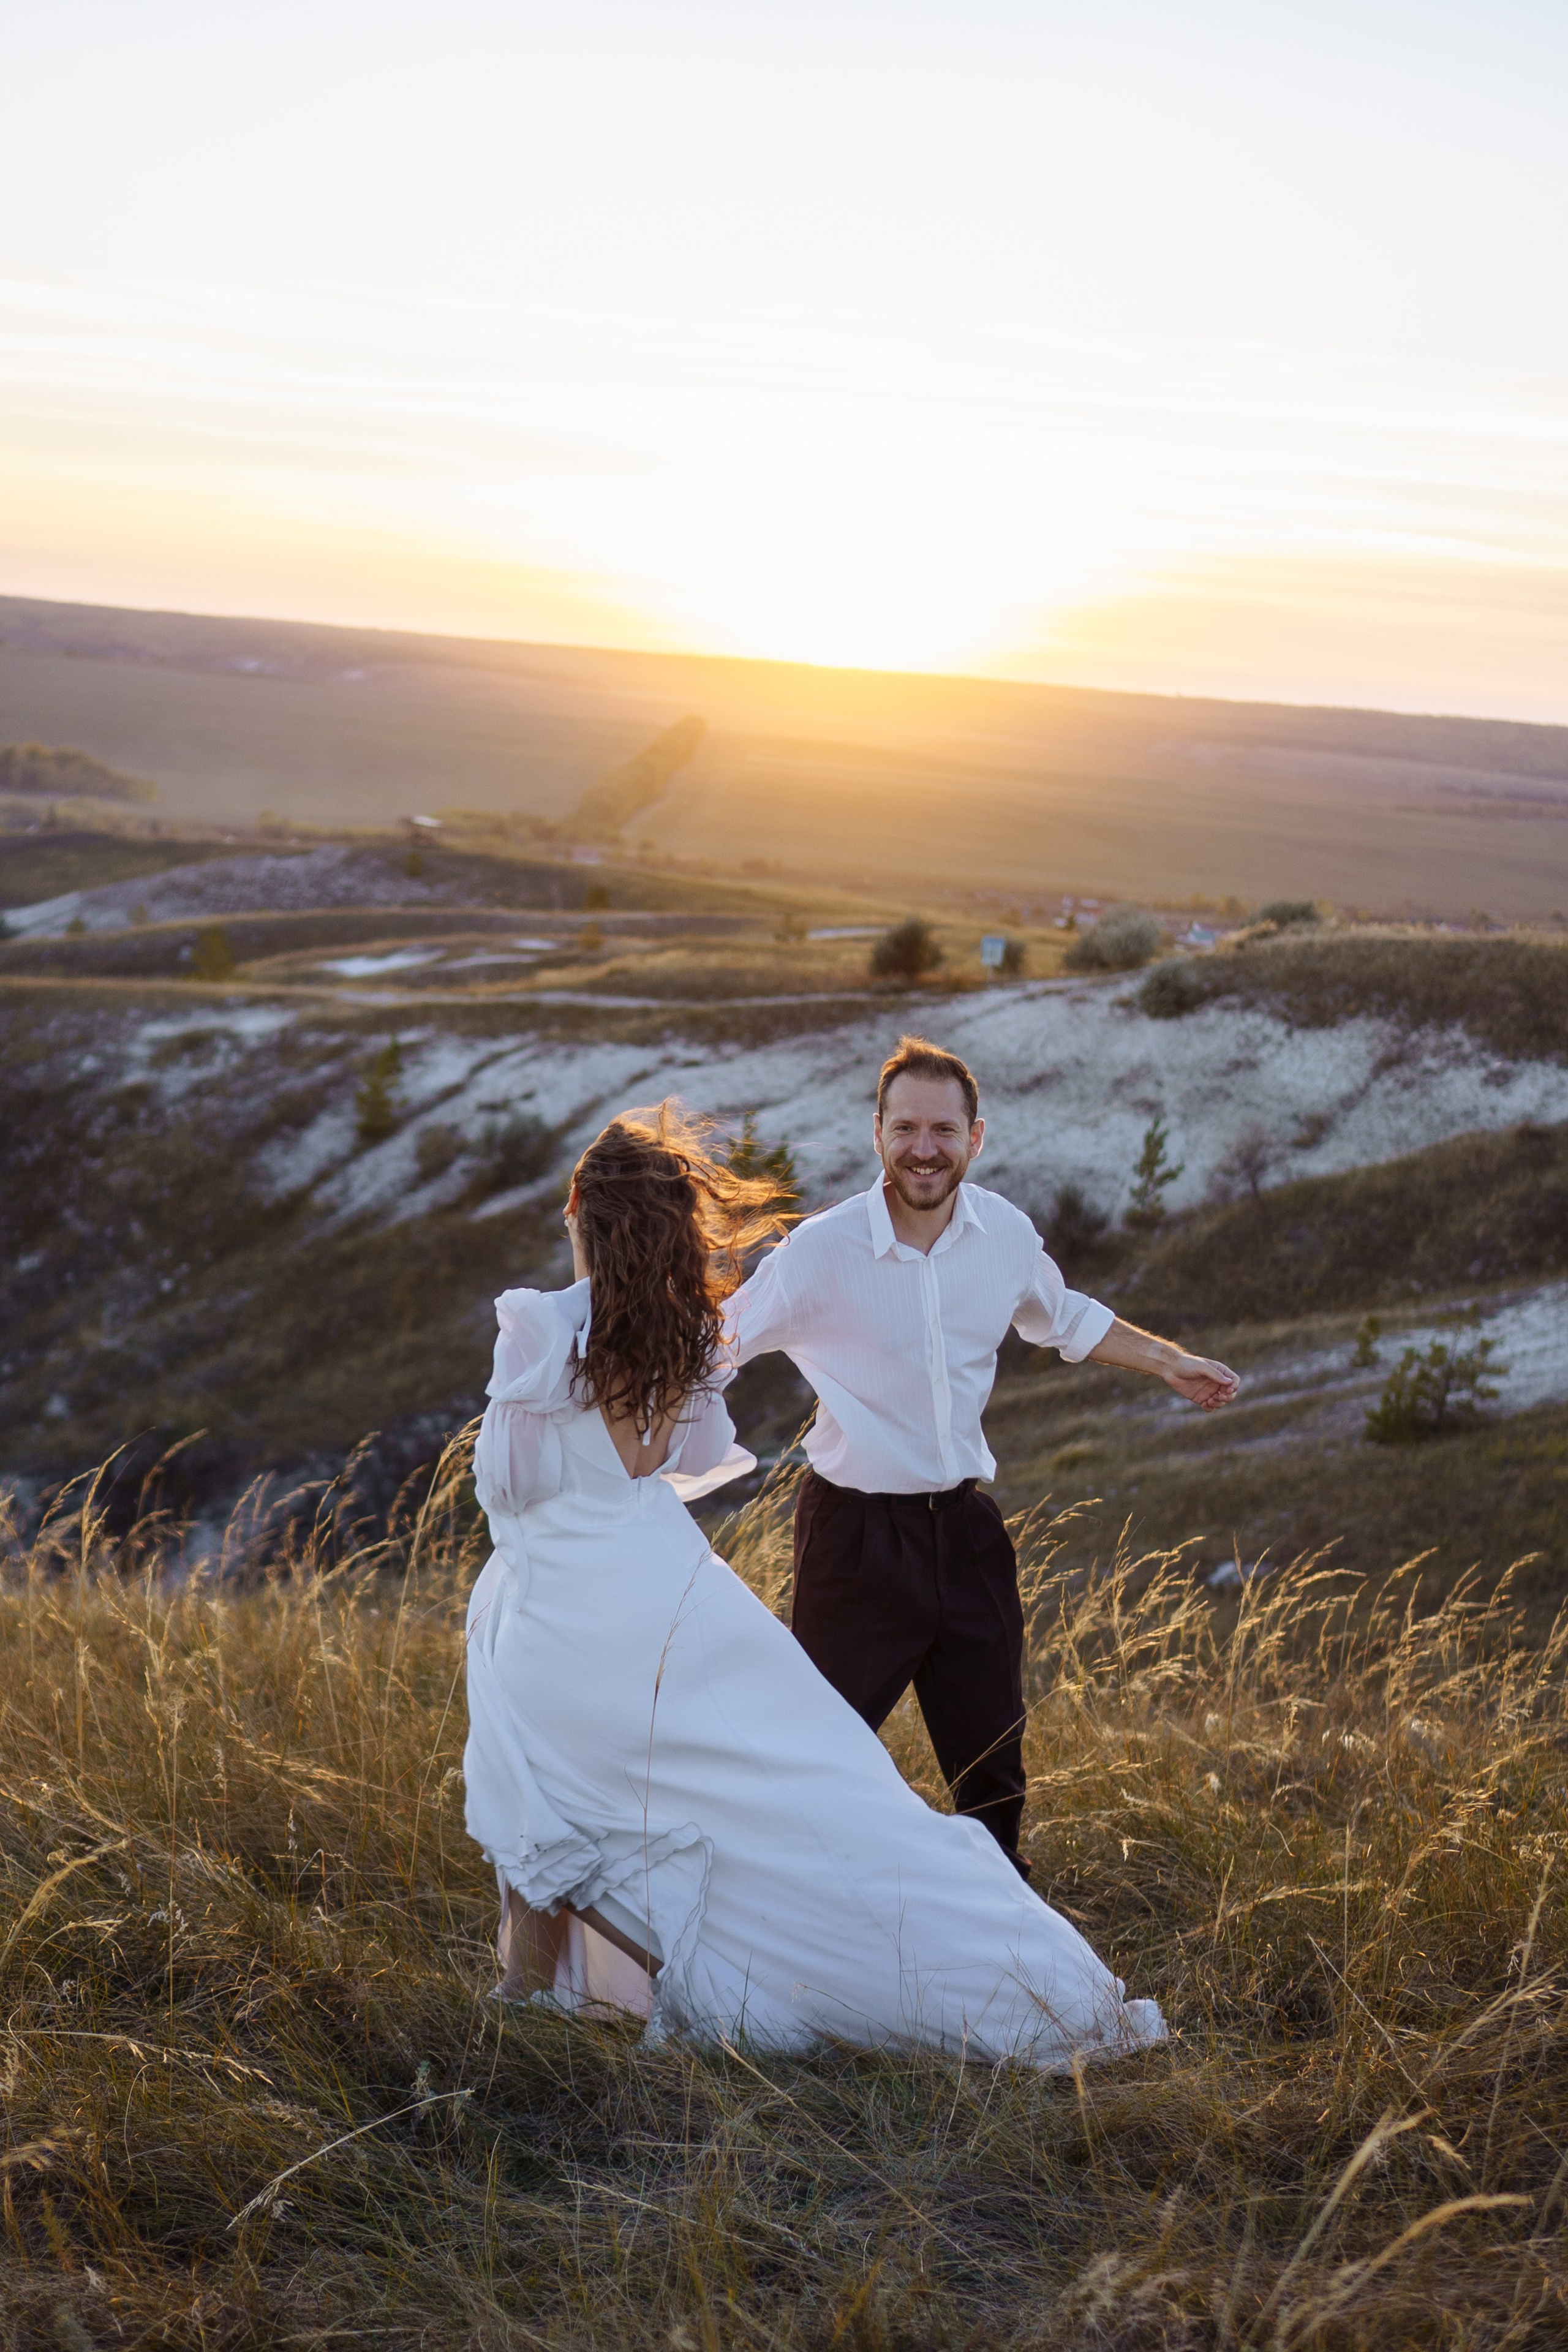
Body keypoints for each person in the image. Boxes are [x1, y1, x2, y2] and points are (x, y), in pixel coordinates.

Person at [462, 1101, 1166, 2065]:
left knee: (546, 1794)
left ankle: (527, 1993)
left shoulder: (541, 1328)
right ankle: (1014, 1979)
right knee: (812, 1788)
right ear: (676, 1223)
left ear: (576, 1203)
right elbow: (682, 1460)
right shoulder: (679, 1334)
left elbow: (506, 1482)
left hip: (557, 1603)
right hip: (665, 1593)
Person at [726, 1035, 1240, 1879]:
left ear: (977, 1136)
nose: (924, 1150)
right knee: (819, 1756)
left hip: (965, 1533)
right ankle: (787, 1923)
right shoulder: (820, 1252)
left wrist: (1168, 1362)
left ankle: (1007, 1947)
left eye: (942, 1130)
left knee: (993, 1763)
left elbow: (1065, 1315)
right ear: (877, 1134)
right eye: (905, 1130)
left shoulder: (1002, 1232)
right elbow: (721, 1345)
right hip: (854, 1543)